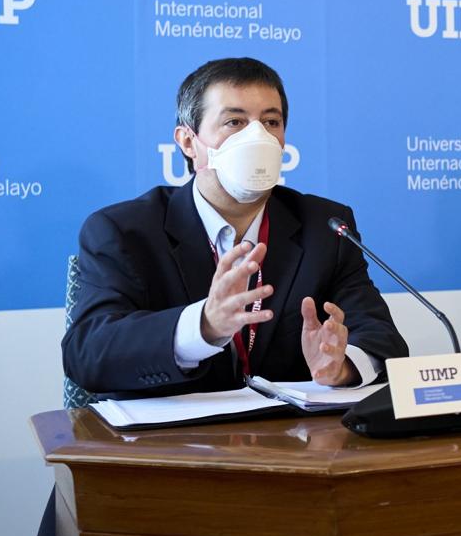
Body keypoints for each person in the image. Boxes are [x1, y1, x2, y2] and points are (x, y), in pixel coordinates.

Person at [62, 57, 409, 396]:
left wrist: (342, 365)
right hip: (171, 447)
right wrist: (203, 327)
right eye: (235, 122)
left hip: (290, 444)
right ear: (187, 142)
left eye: (271, 122)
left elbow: (381, 338)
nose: (257, 137)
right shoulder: (124, 231)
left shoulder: (325, 226)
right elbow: (88, 353)